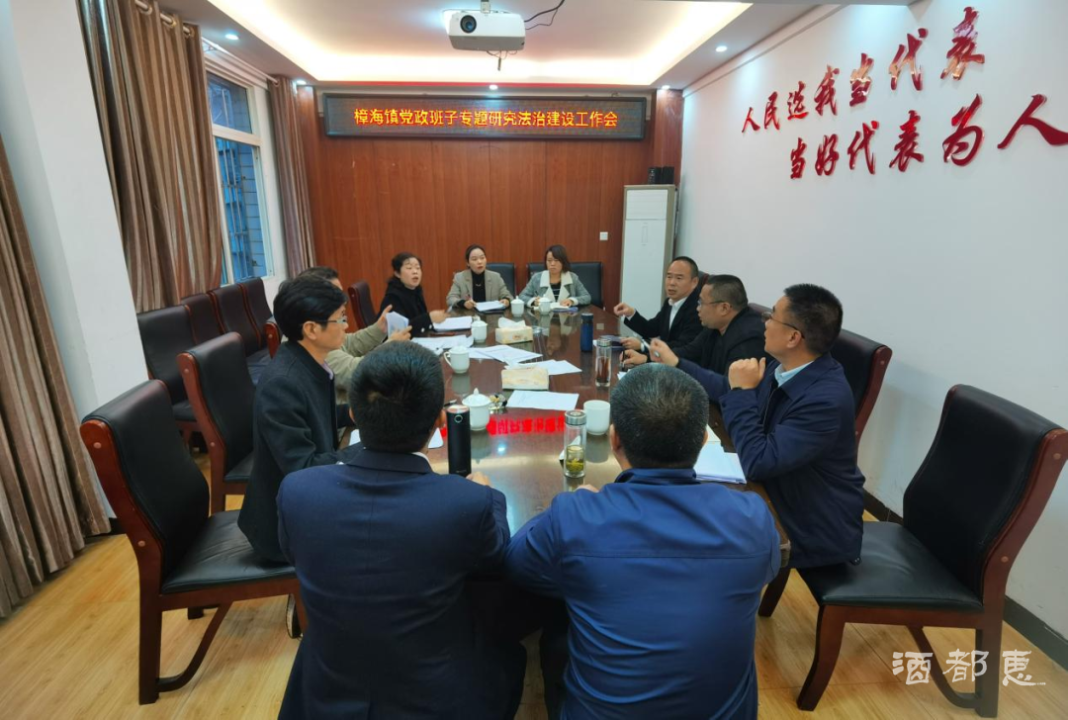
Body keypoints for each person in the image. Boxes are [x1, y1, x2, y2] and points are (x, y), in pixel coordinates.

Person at [505, 364, 780, 720]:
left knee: (557, 624)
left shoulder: (578, 517)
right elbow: (766, 569)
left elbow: (516, 564)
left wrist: (571, 505)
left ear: (614, 439)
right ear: (702, 440)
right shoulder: (752, 517)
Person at [277, 342, 525, 720]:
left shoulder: (297, 492)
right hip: (435, 702)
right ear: (440, 421)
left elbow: (295, 554)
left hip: (323, 694)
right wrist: (489, 496)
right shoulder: (465, 504)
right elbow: (494, 558)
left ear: (354, 415)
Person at [650, 283, 865, 569]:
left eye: (772, 316)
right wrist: (677, 363)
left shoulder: (825, 400)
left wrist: (741, 392)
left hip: (810, 524)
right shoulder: (784, 366)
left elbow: (758, 461)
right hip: (774, 489)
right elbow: (728, 388)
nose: (765, 322)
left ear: (793, 337)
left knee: (692, 526)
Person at [239, 276, 362, 563]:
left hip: (307, 501)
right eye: (340, 319)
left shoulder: (307, 362)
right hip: (284, 526)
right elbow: (303, 468)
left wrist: (353, 413)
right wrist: (373, 447)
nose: (346, 326)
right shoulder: (283, 383)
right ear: (311, 329)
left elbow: (313, 416)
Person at [624, 274, 764, 374]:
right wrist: (647, 359)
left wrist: (675, 363)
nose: (698, 308)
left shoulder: (749, 338)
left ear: (724, 308)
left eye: (701, 303)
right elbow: (689, 351)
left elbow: (728, 388)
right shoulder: (715, 324)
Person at [296, 266, 411, 387]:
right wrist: (390, 347)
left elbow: (348, 343)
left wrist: (379, 329)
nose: (344, 301)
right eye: (335, 296)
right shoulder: (310, 339)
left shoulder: (318, 323)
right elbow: (357, 372)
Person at [613, 256, 702, 353]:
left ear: (694, 282)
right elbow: (651, 329)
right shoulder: (670, 302)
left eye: (679, 278)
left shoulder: (698, 309)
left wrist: (643, 345)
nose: (672, 283)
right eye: (669, 277)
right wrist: (631, 313)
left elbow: (682, 345)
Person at [380, 252, 447, 336]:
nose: (415, 272)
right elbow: (402, 329)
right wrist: (429, 318)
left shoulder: (416, 290)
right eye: (409, 268)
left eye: (418, 268)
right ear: (397, 273)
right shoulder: (393, 297)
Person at [517, 245, 591, 308]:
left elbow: (586, 297)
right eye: (549, 260)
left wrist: (571, 301)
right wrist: (534, 301)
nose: (552, 264)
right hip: (543, 317)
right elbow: (521, 297)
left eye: (556, 260)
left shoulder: (572, 277)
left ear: (563, 262)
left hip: (567, 317)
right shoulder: (537, 278)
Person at [445, 244, 513, 309]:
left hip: (491, 315)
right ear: (468, 263)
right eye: (474, 259)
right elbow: (450, 298)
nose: (479, 262)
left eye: (482, 258)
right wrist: (464, 303)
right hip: (469, 314)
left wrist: (506, 301)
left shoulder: (496, 277)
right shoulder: (460, 277)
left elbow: (508, 296)